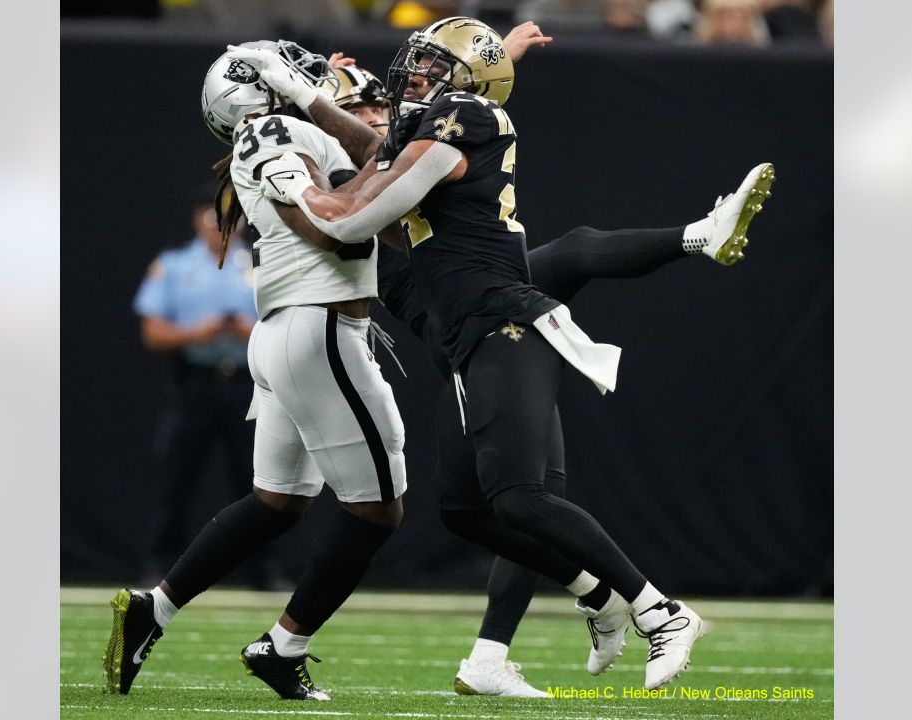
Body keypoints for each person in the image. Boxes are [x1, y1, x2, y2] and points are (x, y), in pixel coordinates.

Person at [229, 16, 773, 691]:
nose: (404, 83)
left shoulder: (456, 122)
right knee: (467, 506)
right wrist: (489, 58)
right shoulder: (438, 125)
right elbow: (384, 148)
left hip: (501, 315)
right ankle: (593, 602)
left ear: (460, 87)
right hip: (464, 329)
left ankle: (657, 612)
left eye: (431, 70)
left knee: (525, 494)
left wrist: (288, 174)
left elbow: (348, 214)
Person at [103, 40, 408, 702]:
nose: (300, 74)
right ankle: (283, 646)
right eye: (286, 69)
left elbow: (368, 160)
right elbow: (331, 227)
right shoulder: (272, 130)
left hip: (289, 329)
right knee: (379, 510)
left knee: (277, 502)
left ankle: (154, 608)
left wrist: (316, 101)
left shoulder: (287, 122)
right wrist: (378, 163)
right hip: (319, 325)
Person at [133, 192, 265, 584]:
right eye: (214, 219)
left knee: (261, 481)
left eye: (231, 219)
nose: (222, 228)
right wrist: (195, 333)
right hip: (195, 382)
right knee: (176, 477)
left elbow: (288, 324)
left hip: (249, 383)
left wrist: (250, 331)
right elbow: (153, 331)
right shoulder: (174, 266)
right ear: (198, 221)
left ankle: (264, 571)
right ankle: (159, 566)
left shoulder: (262, 263)